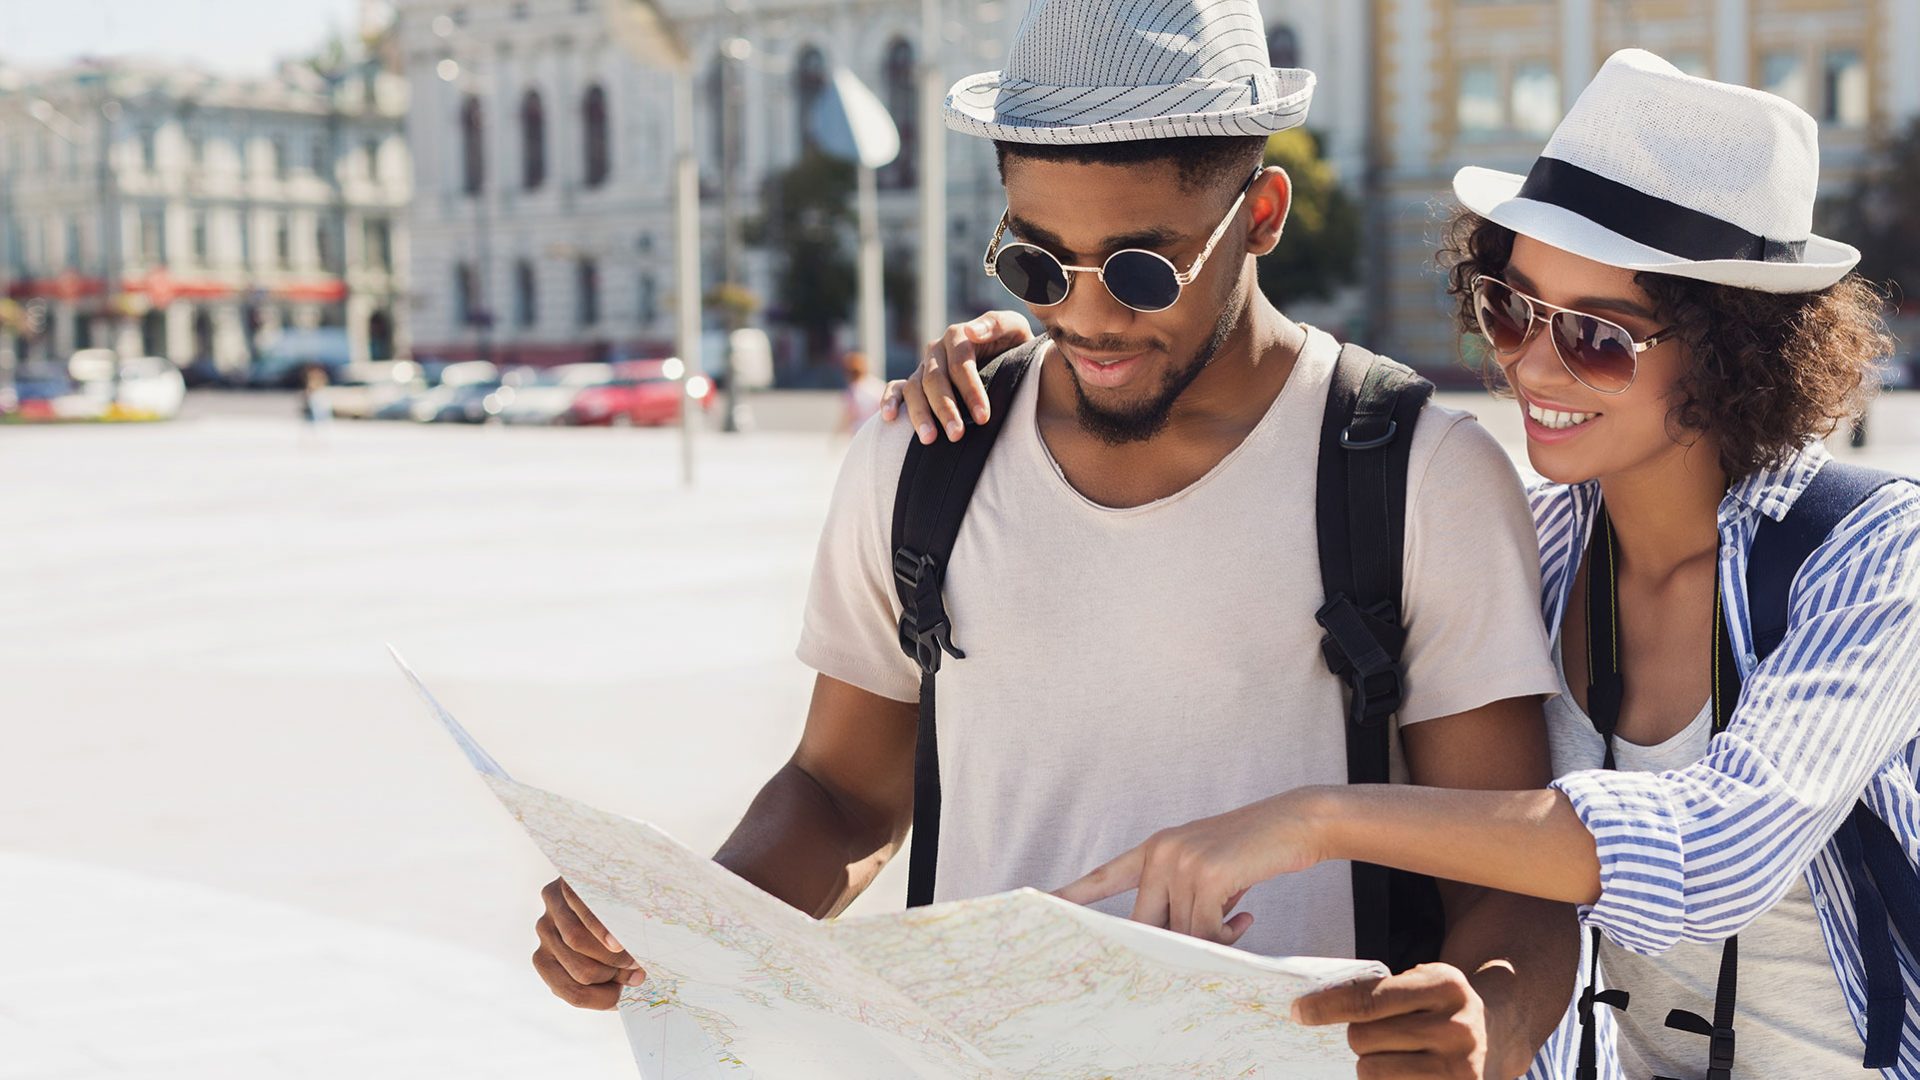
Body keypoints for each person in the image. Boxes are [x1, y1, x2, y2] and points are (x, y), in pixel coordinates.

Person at [532, 4, 1579, 1076]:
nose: (1087, 318)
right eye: (1038, 265)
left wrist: (1487, 1026)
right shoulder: (927, 455)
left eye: (1139, 270)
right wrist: (680, 926)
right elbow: (843, 795)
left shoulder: (1417, 475)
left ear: (1262, 211)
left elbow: (1515, 880)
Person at [893, 50, 1920, 1079]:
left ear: (1737, 348)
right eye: (1512, 309)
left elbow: (1719, 849)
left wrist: (1313, 822)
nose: (1533, 366)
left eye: (1600, 338)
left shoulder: (1879, 553)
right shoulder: (1541, 546)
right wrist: (1050, 344)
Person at [836, 350, 885, 436]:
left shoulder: (852, 391)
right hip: (878, 430)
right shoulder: (879, 386)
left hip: (860, 432)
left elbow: (848, 416)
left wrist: (836, 436)